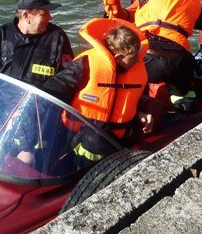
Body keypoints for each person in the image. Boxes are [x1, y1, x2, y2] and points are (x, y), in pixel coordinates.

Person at [43, 18, 153, 164]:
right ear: (118, 57)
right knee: (92, 144)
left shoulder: (137, 70)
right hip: (80, 139)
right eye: (133, 57)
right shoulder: (85, 65)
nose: (138, 61)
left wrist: (141, 113)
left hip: (119, 141)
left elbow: (135, 99)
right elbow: (50, 93)